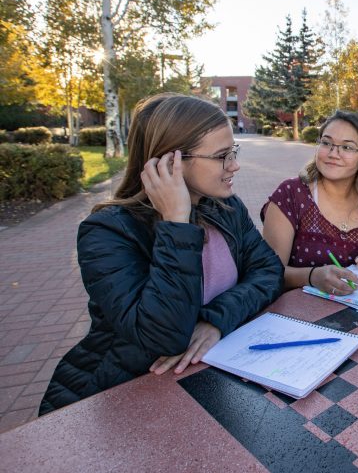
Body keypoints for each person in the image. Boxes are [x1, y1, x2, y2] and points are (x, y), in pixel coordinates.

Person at [38, 94, 284, 415]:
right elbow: (163, 339)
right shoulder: (108, 232)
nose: (234, 165)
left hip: (207, 384)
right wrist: (177, 224)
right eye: (222, 156)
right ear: (172, 163)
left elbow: (268, 272)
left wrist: (215, 320)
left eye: (233, 152)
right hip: (122, 396)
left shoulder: (226, 208)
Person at [261, 111, 358, 296]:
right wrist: (311, 276)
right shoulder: (291, 196)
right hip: (298, 317)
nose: (333, 153)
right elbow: (267, 274)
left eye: (347, 147)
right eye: (326, 143)